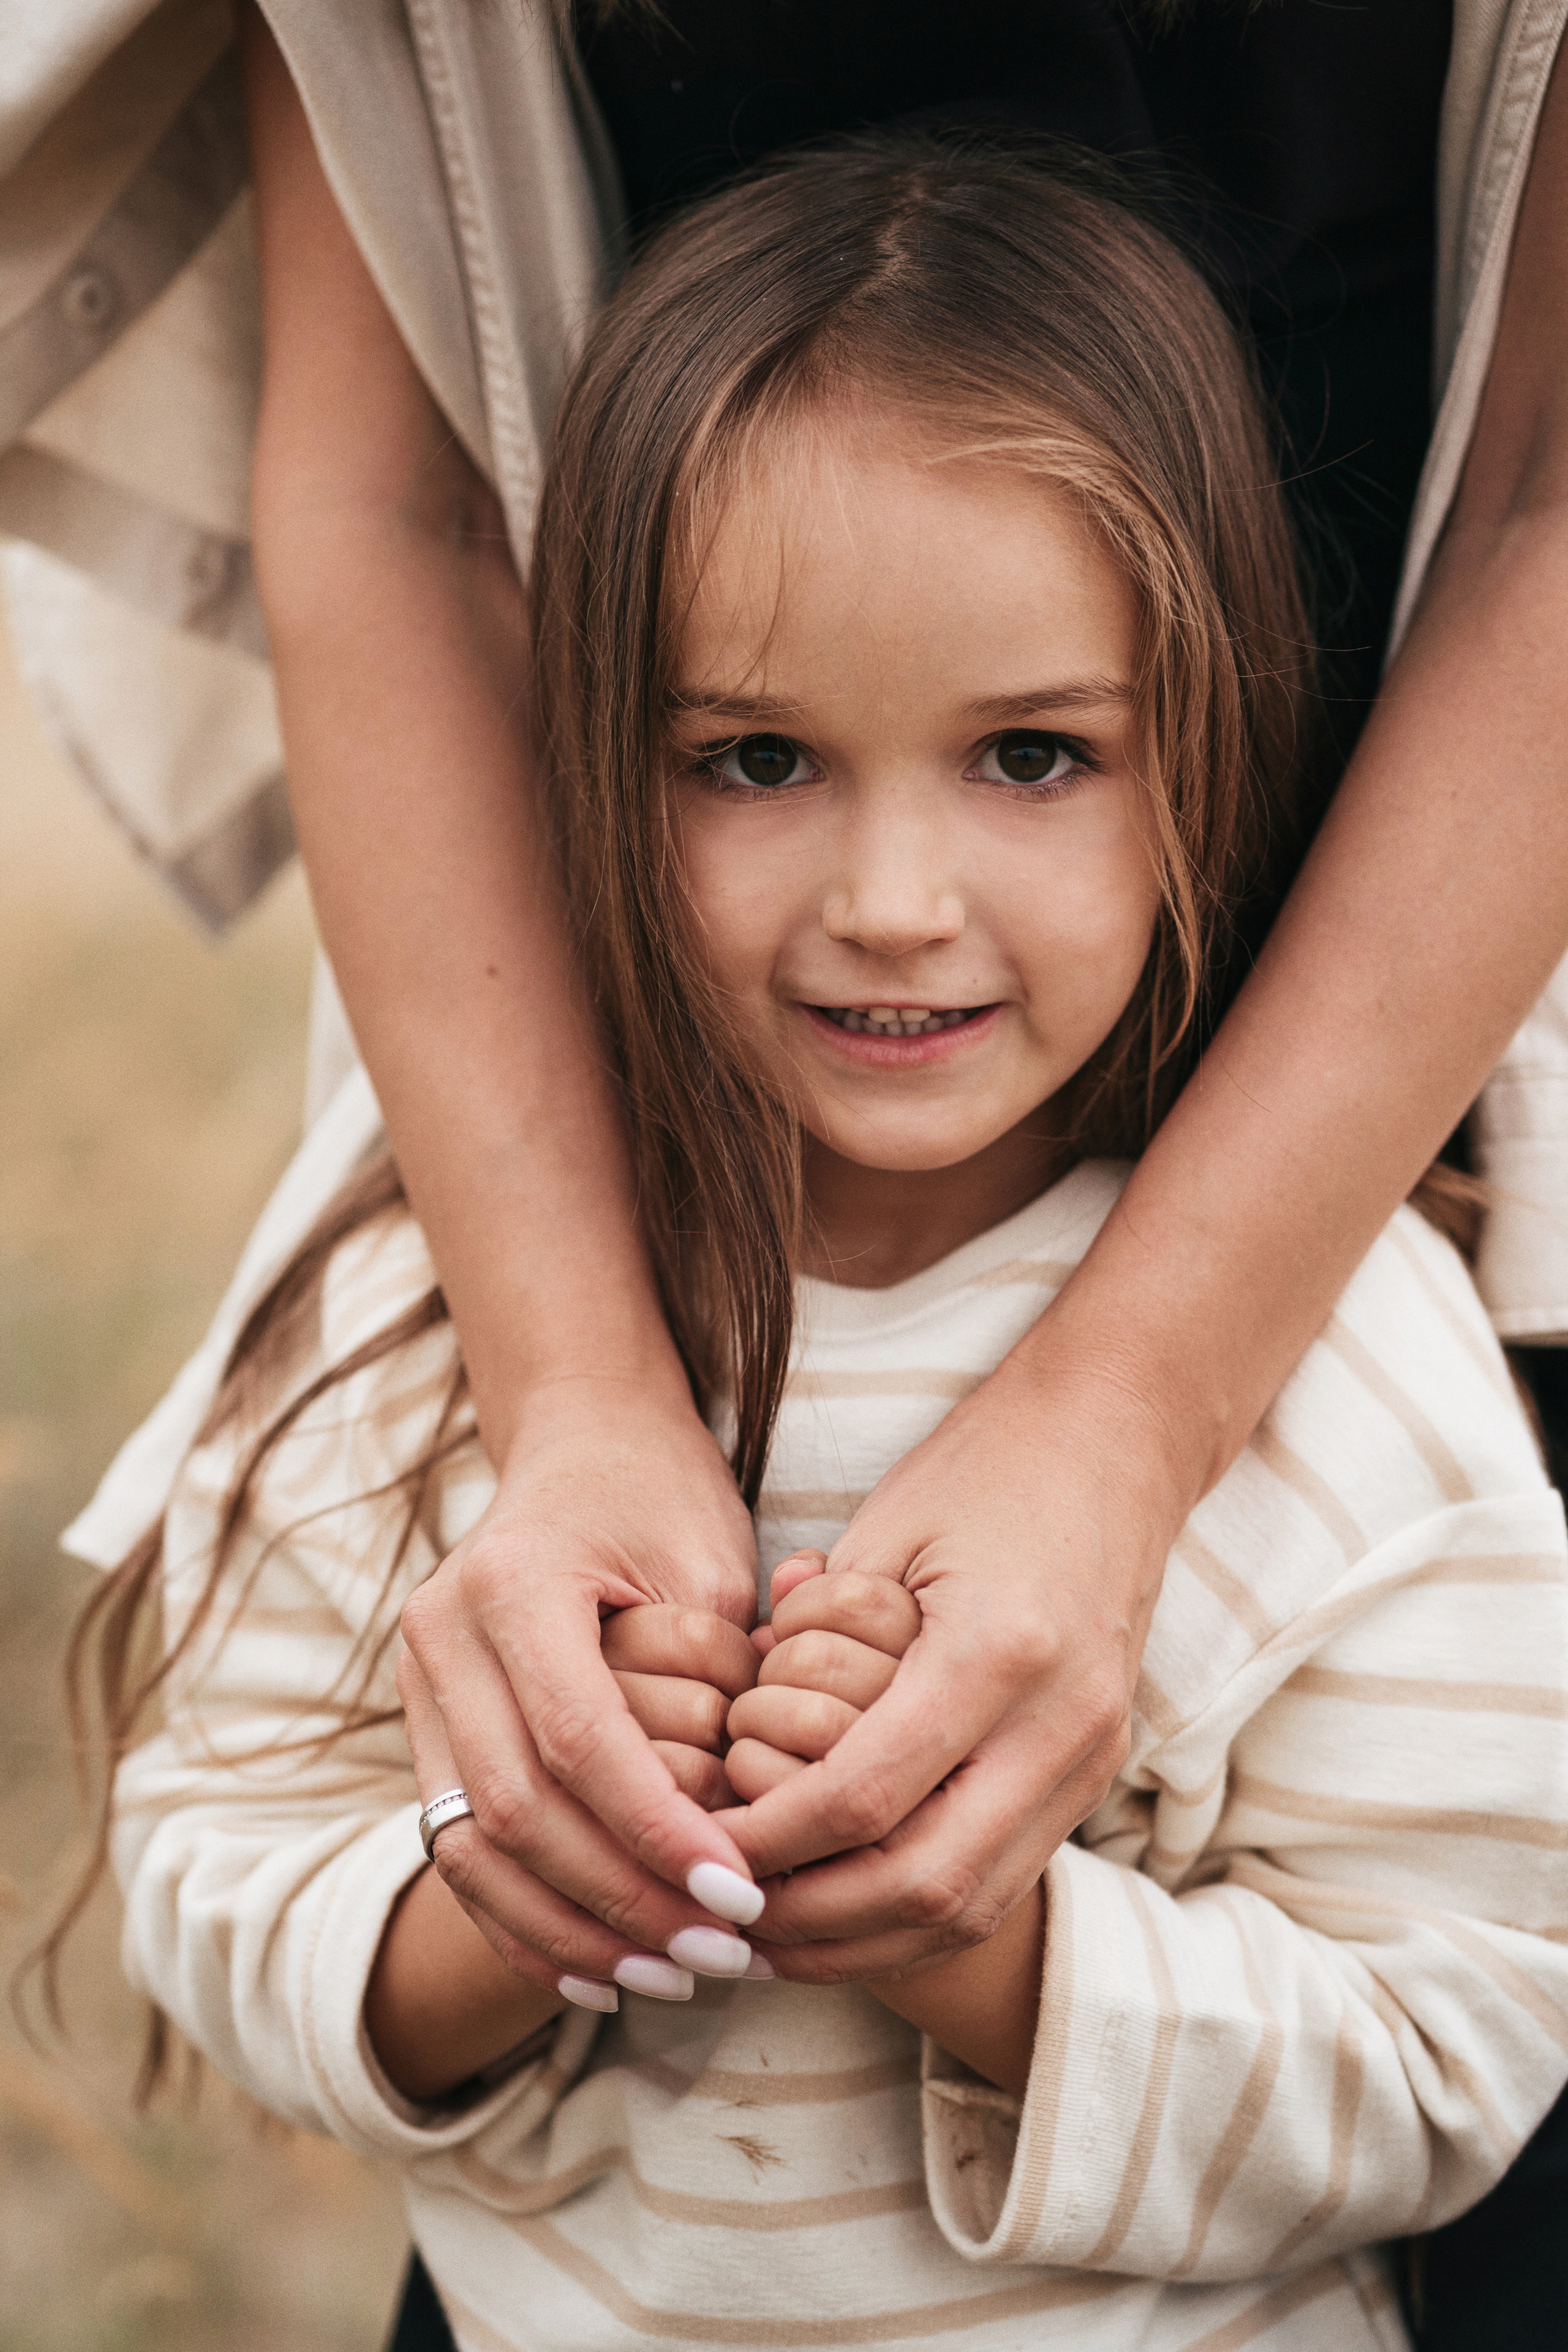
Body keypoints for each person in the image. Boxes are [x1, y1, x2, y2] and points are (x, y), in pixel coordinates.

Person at [77, 140, 1568, 2352]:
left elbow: (1452, 2045)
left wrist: (980, 1949)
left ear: (1215, 750)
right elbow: (216, 1852)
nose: (890, 899)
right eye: (759, 756)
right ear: (590, 763)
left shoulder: (1357, 1364)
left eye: (1035, 758)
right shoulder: (418, 1306)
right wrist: (497, 1915)